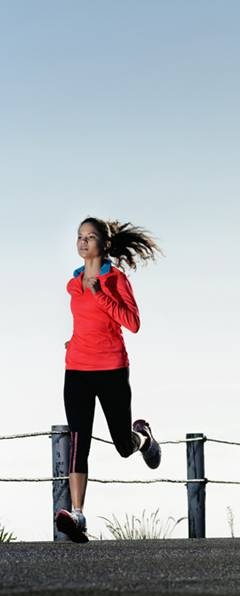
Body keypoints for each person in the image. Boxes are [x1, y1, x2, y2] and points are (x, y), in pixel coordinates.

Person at [55, 217, 163, 543]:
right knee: (78, 441)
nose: (83, 242)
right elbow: (86, 323)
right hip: (76, 369)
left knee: (121, 444)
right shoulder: (73, 283)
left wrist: (101, 293)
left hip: (112, 370)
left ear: (103, 244)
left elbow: (132, 323)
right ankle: (77, 515)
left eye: (90, 237)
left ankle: (142, 438)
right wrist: (73, 341)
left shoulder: (116, 280)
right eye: (79, 236)